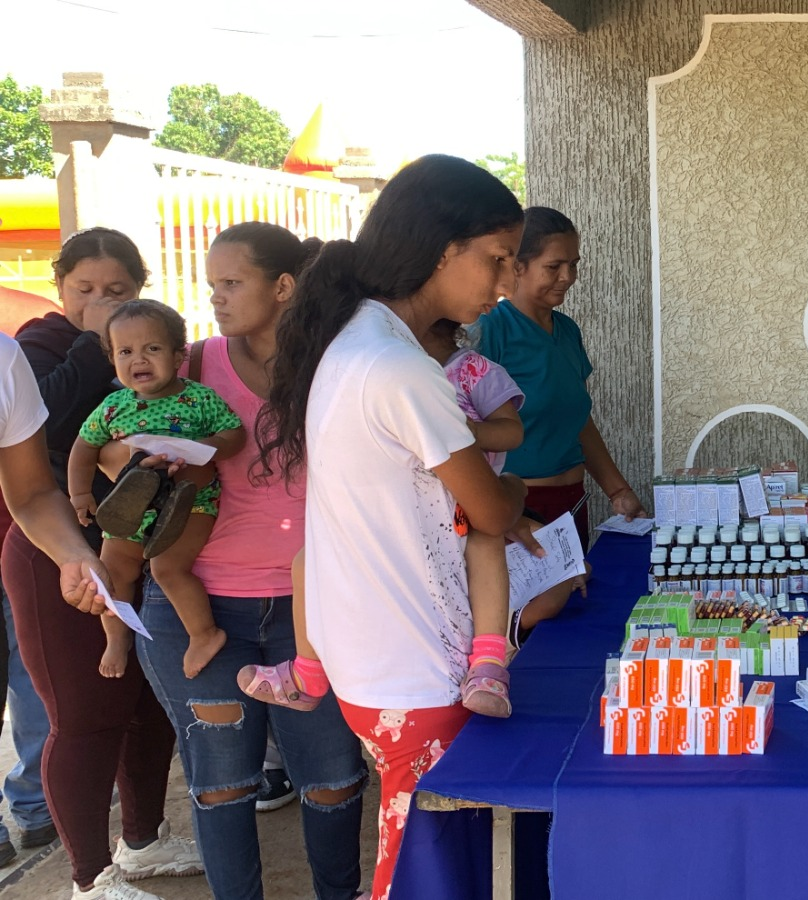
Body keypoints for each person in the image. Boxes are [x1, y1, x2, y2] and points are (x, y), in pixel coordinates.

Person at [254, 154, 551, 900]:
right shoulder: (400, 367)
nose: (504, 281)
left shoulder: (354, 341)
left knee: (419, 847)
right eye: (497, 259)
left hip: (374, 657)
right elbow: (488, 511)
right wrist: (512, 488)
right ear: (443, 249)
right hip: (412, 666)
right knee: (420, 863)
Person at [134, 222, 368, 900]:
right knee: (223, 786)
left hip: (313, 611)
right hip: (200, 610)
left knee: (332, 782)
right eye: (213, 286)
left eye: (232, 283)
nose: (217, 299)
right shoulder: (195, 365)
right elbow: (117, 434)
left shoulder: (337, 366)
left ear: (284, 286)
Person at [3, 227, 202, 899]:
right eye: (83, 289)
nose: (98, 301)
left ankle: (142, 843)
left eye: (116, 291)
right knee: (85, 713)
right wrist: (95, 343)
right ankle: (89, 879)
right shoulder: (38, 346)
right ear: (60, 288)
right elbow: (48, 439)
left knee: (146, 703)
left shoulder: (150, 348)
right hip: (53, 550)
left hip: (137, 544)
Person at [239, 317, 526, 718]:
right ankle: (308, 674)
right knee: (306, 560)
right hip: (401, 507)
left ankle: (488, 664)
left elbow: (512, 433)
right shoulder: (370, 370)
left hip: (464, 495)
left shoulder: (471, 370)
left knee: (486, 542)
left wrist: (457, 432)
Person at [68, 301, 244, 680]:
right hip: (131, 507)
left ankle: (204, 634)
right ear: (112, 358)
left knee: (168, 568)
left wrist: (210, 449)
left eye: (153, 348)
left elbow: (235, 433)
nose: (139, 360)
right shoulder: (114, 407)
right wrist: (79, 494)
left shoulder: (198, 399)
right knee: (111, 573)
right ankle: (116, 639)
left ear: (179, 354)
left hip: (191, 503)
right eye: (126, 352)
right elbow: (83, 447)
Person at [476, 207, 644, 540]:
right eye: (553, 267)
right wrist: (502, 516)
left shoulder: (567, 331)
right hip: (518, 511)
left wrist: (618, 491)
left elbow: (578, 420)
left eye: (574, 264)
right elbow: (465, 433)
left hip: (572, 501)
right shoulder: (492, 331)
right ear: (518, 267)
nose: (567, 277)